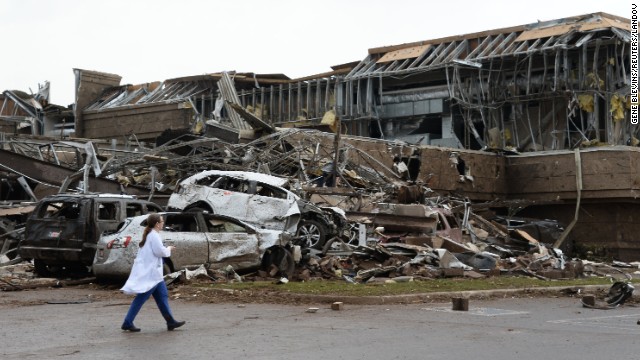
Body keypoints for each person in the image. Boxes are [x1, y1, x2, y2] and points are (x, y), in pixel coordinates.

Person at [120, 213, 185, 332]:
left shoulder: (150, 234)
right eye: (161, 221)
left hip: (155, 274)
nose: (163, 223)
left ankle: (170, 321)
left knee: (163, 296)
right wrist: (169, 249)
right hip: (151, 274)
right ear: (157, 224)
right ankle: (127, 322)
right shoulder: (154, 236)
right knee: (141, 298)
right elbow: (160, 252)